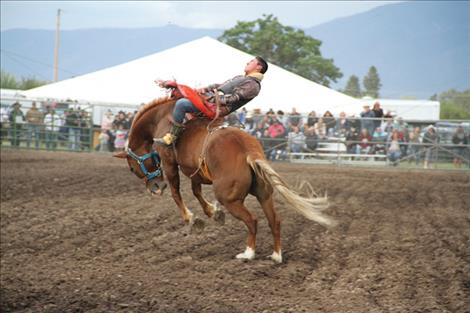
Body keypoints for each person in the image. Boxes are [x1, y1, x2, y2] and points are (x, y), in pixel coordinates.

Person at [154, 56, 268, 146]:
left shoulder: (253, 85)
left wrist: (211, 98)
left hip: (218, 108)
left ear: (258, 67)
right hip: (212, 101)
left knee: (181, 104)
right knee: (181, 94)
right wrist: (205, 89)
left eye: (252, 61)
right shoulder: (242, 78)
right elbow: (220, 85)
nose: (248, 62)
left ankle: (172, 137)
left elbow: (233, 98)